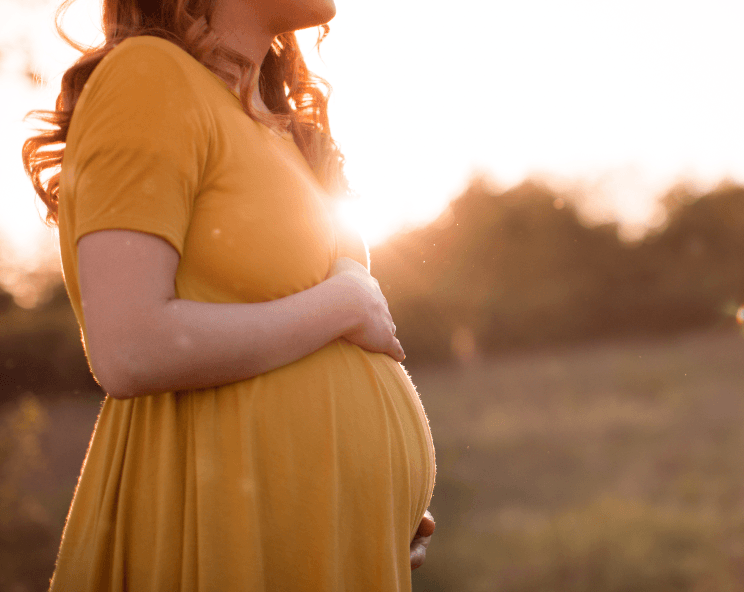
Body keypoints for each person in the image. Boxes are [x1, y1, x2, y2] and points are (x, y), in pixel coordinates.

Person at [22, 0, 436, 589]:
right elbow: (130, 347)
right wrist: (342, 305)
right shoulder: (149, 76)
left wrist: (364, 501)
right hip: (218, 529)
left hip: (313, 536)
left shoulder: (275, 122)